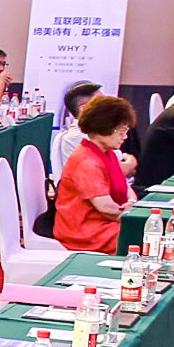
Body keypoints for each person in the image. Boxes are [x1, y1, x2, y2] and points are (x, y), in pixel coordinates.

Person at [53, 94, 137, 253]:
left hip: (107, 223)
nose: (125, 137)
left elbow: (126, 187)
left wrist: (131, 203)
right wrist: (131, 215)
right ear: (103, 129)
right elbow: (106, 209)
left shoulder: (108, 154)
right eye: (121, 131)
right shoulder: (86, 161)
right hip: (86, 231)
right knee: (144, 236)